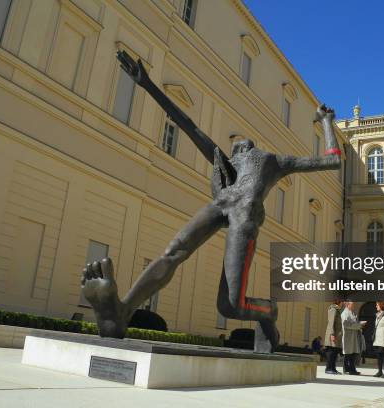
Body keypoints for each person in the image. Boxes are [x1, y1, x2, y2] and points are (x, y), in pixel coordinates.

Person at [81, 51, 342, 353]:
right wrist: (147, 84)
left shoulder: (271, 161)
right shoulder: (226, 163)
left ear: (251, 147)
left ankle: (267, 311)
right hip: (221, 205)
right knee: (173, 251)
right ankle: (122, 312)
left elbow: (331, 161)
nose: (236, 144)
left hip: (244, 218)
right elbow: (188, 125)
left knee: (230, 306)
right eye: (234, 146)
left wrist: (326, 122)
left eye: (240, 144)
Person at [341, 301, 366, 375]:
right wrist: (359, 324)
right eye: (352, 304)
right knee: (349, 353)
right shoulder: (345, 313)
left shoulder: (352, 313)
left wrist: (359, 324)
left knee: (352, 353)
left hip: (354, 336)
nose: (353, 305)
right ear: (347, 305)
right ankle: (350, 369)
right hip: (348, 336)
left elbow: (354, 323)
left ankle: (349, 369)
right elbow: (346, 324)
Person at [324, 300, 343, 374]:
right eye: (342, 301)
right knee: (331, 352)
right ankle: (328, 368)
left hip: (336, 334)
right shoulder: (333, 309)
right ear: (339, 301)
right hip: (333, 334)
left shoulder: (337, 310)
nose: (342, 303)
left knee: (335, 352)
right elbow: (331, 322)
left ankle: (333, 368)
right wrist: (332, 334)